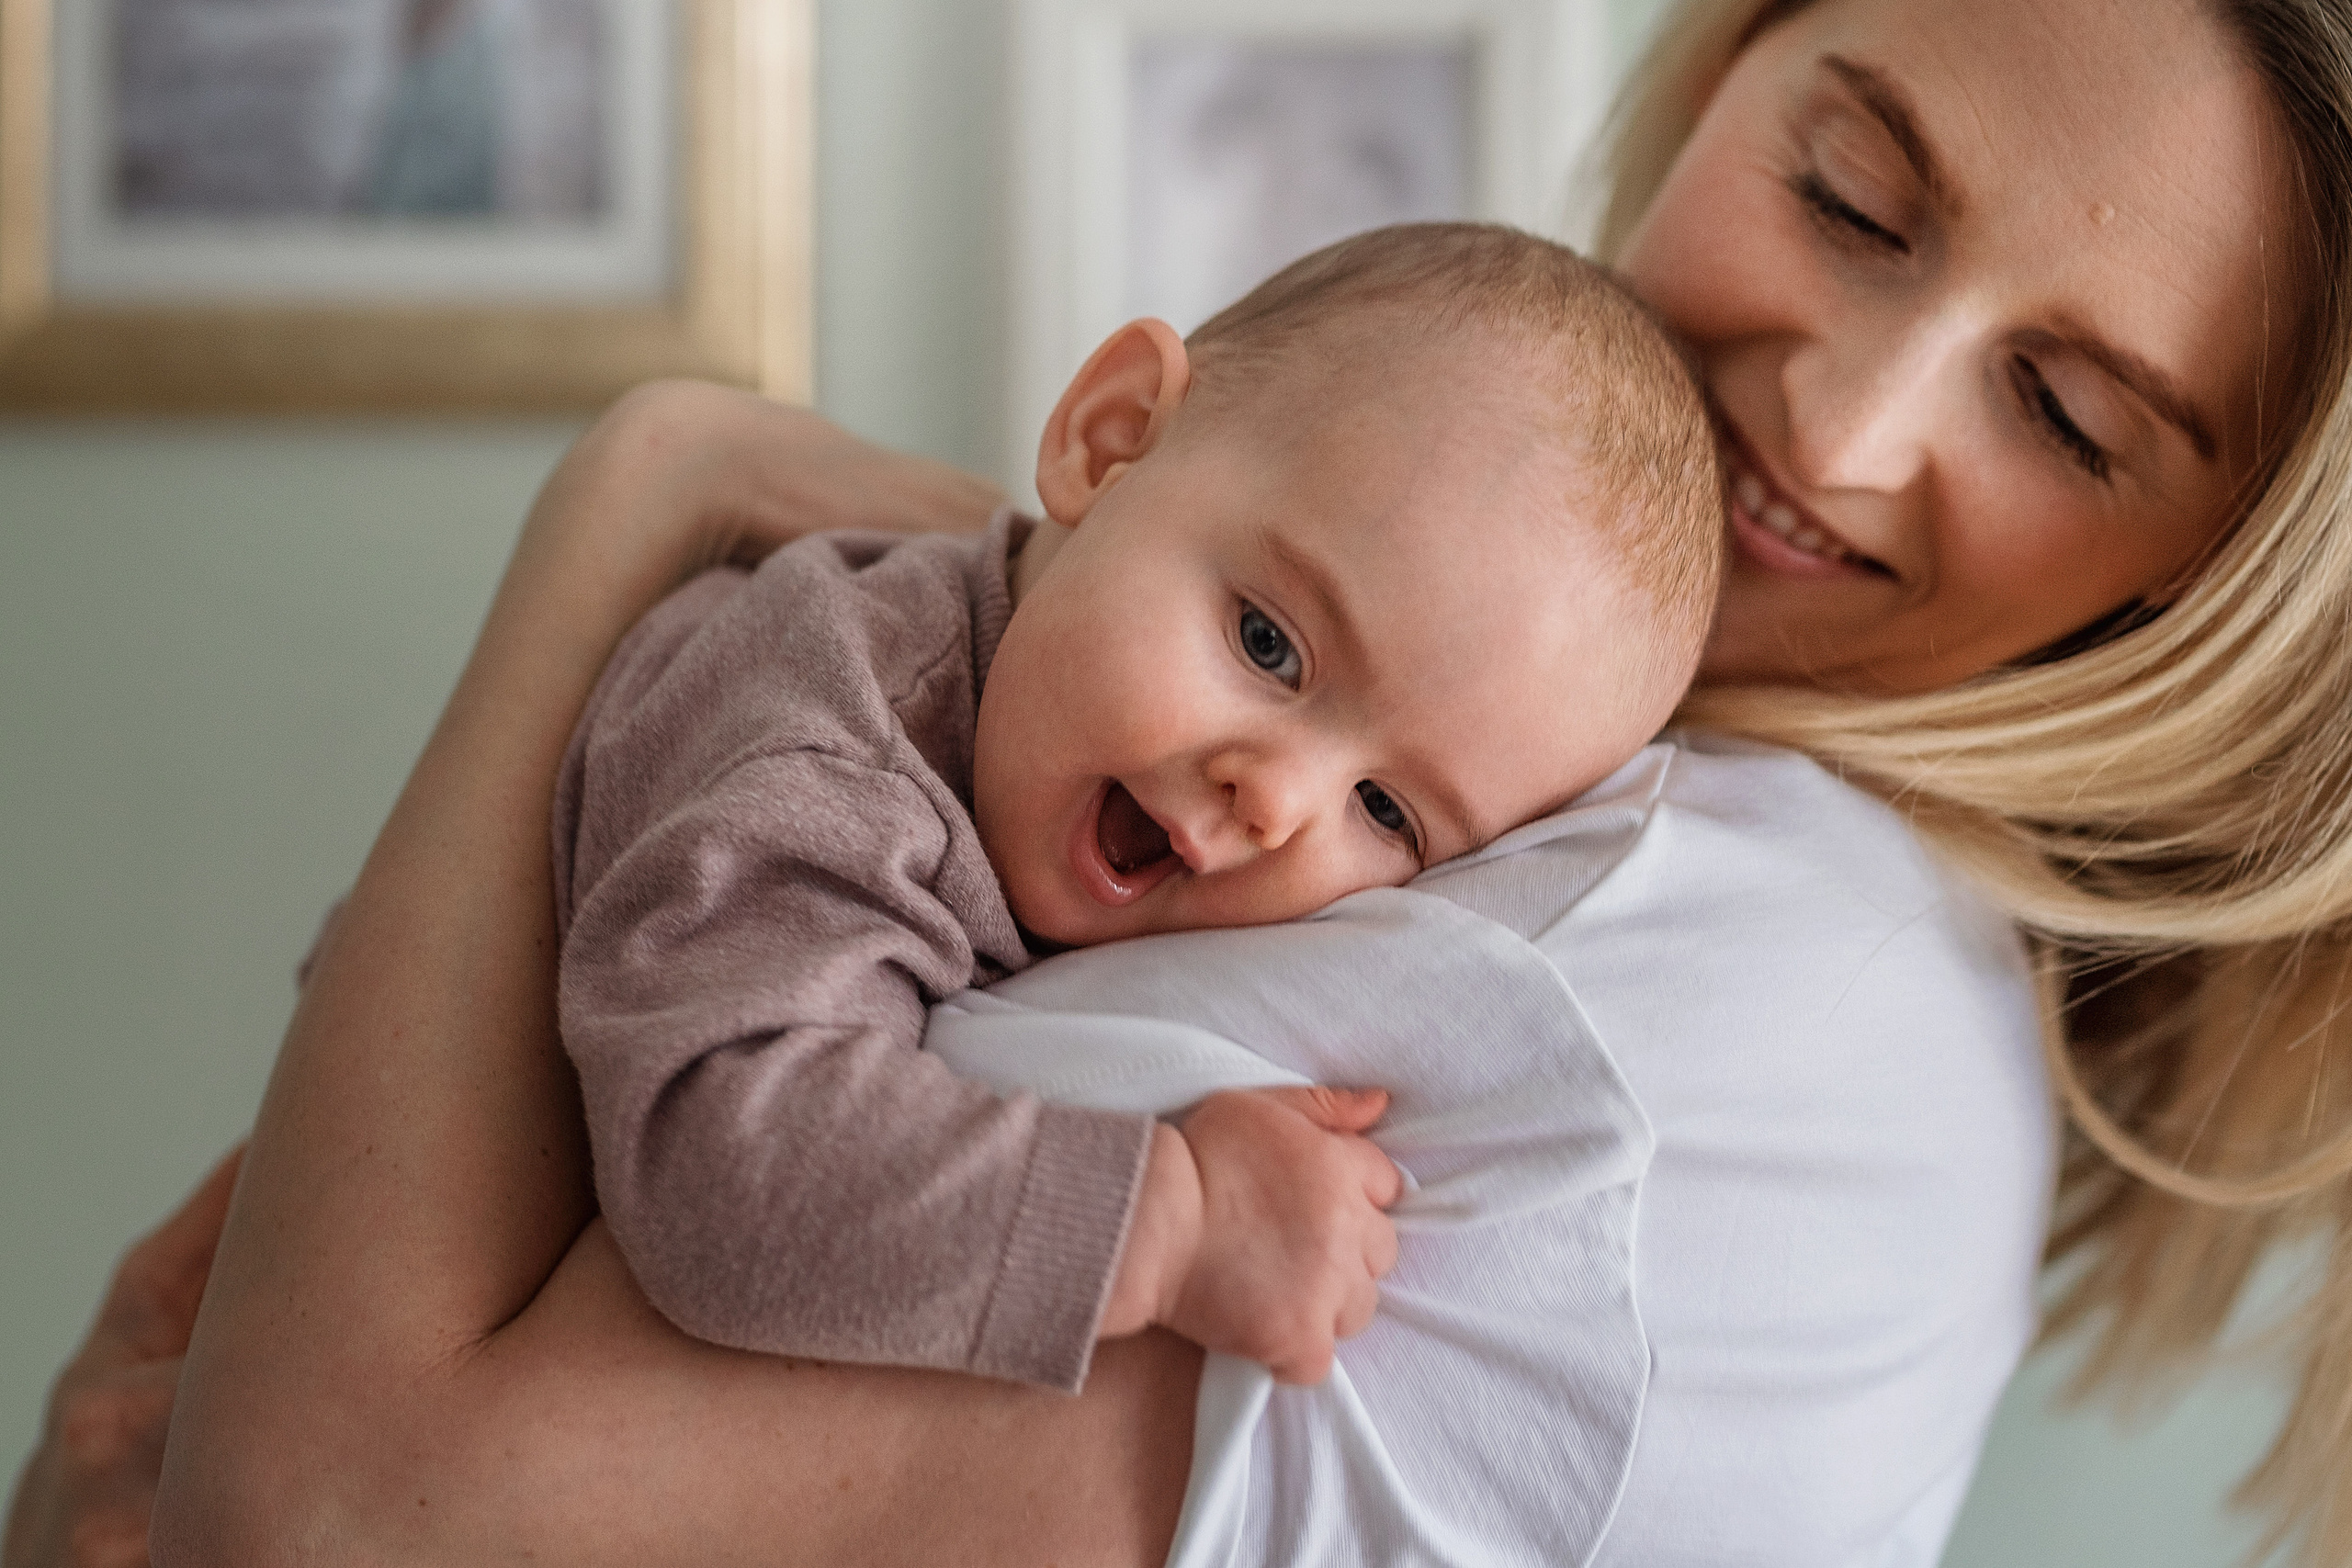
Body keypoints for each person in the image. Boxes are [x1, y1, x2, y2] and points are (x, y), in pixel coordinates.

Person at [15, 0, 2352, 1561]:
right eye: (1844, 193)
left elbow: (313, 1493)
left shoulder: (1688, 962)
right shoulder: (918, 698)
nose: (1835, 427)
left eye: (2065, 416)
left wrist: (646, 486)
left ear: (2211, 577)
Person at [550, 226, 1719, 1393]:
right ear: (1110, 442)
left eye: (1383, 810)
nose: (1275, 800)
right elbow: (717, 1164)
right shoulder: (836, 743)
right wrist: (1168, 1222)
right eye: (1267, 644)